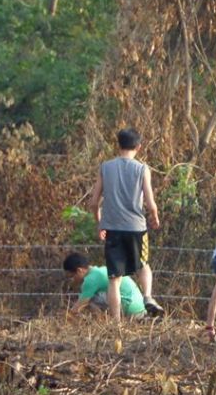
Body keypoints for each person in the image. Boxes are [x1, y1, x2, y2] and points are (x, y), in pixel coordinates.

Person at [90, 128, 163, 321]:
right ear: (138, 147)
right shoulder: (141, 169)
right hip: (136, 227)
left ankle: (116, 324)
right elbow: (149, 200)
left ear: (118, 145)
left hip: (112, 228)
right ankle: (147, 296)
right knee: (143, 265)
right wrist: (154, 216)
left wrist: (100, 224)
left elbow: (93, 202)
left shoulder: (105, 167)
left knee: (114, 279)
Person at [63, 252, 146, 318]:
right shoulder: (99, 271)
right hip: (139, 308)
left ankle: (108, 321)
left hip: (131, 309)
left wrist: (67, 316)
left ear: (79, 270)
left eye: (72, 276)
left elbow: (79, 306)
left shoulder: (90, 280)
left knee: (91, 299)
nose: (72, 280)